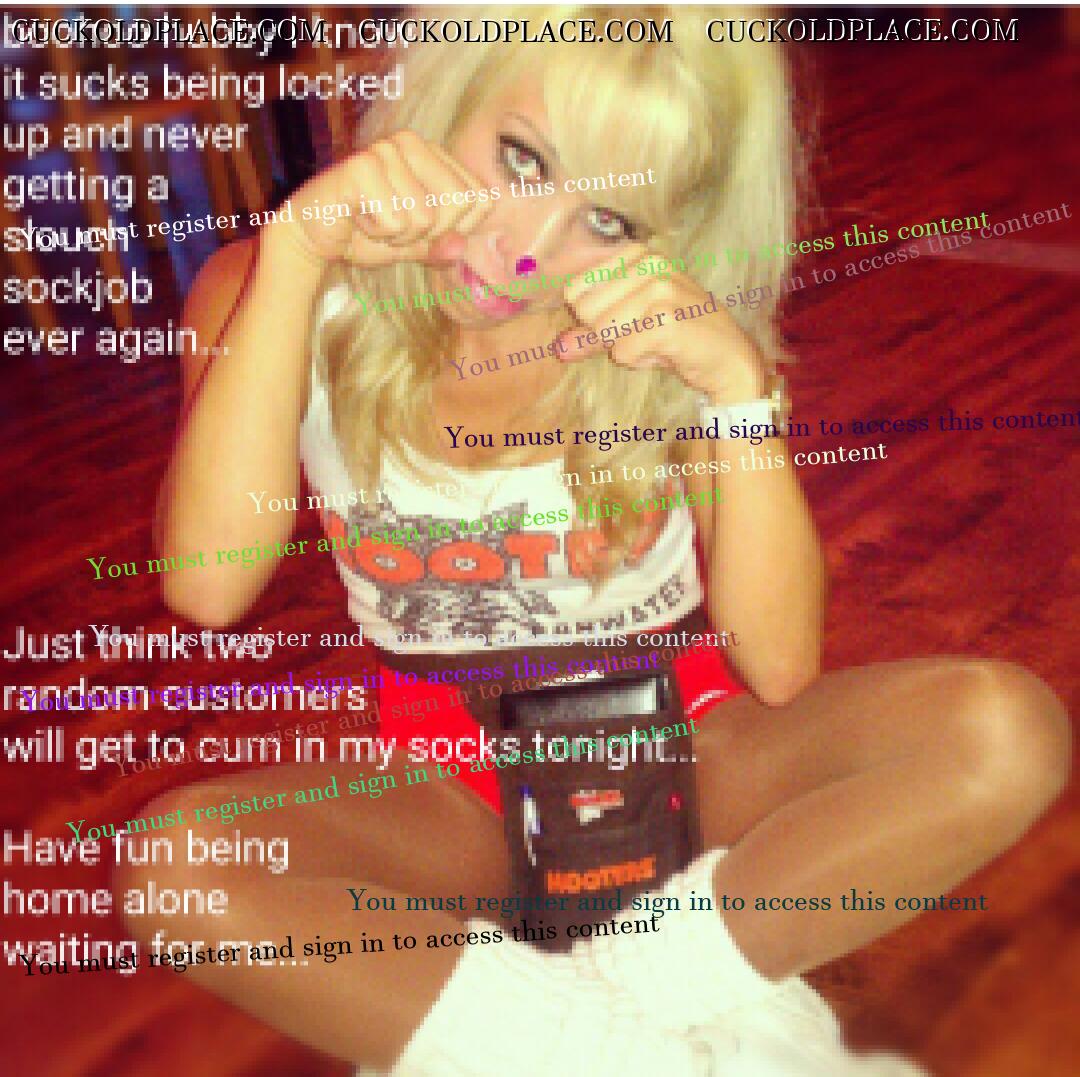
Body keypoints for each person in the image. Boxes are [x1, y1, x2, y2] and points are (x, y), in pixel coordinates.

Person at [120, 6, 1069, 1074]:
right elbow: (207, 587)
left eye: (607, 218)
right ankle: (630, 1045)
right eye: (522, 158)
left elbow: (779, 665)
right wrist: (294, 257)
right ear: (456, 88)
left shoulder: (670, 331)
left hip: (685, 747)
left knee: (1006, 732)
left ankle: (601, 1010)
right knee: (180, 865)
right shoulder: (265, 287)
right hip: (455, 784)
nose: (524, 249)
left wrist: (737, 392)